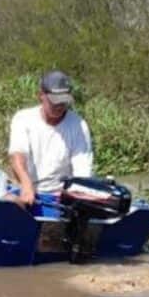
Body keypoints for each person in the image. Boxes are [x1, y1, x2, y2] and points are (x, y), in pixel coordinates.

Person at [8, 70, 93, 206]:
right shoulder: (23, 119)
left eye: (63, 102)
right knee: (8, 202)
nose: (59, 107)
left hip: (61, 196)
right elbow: (17, 156)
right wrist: (26, 184)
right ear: (41, 95)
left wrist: (73, 193)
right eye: (54, 102)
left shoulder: (79, 125)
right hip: (29, 191)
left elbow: (82, 170)